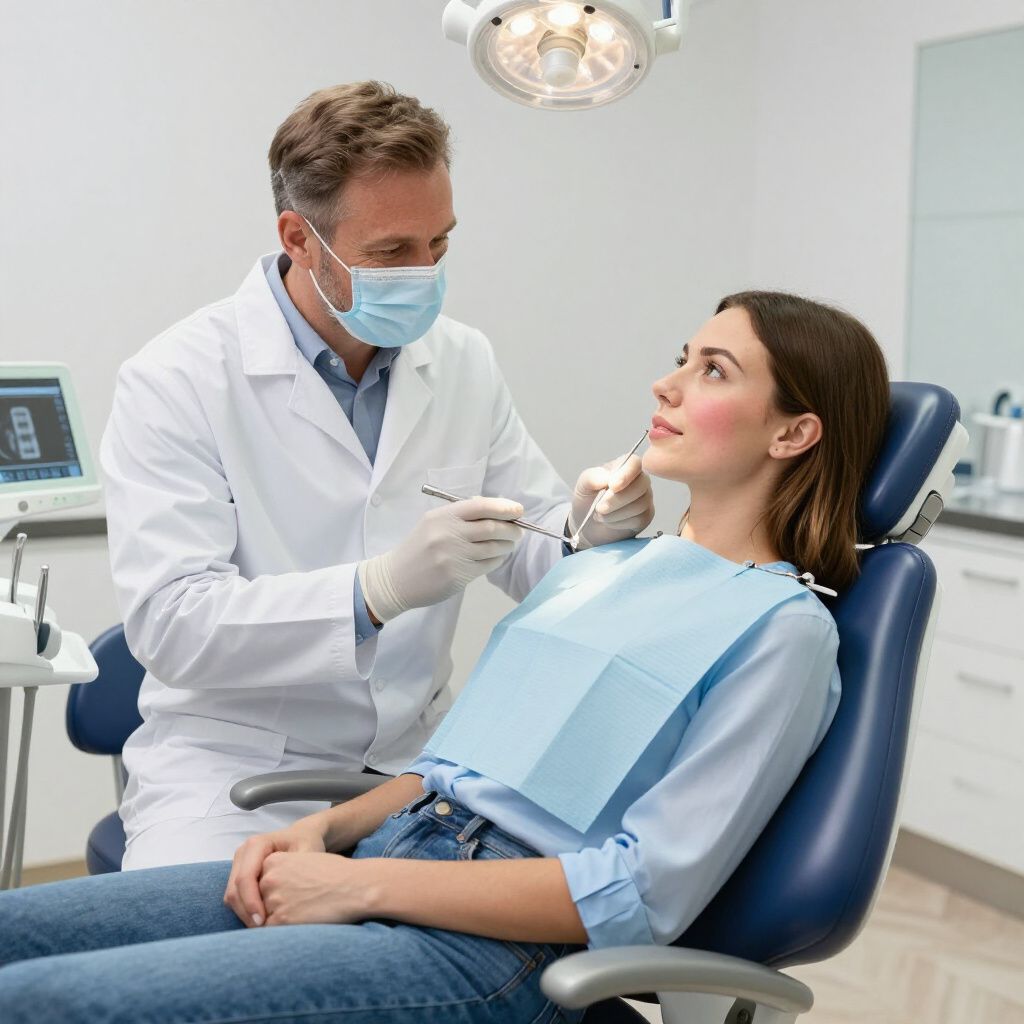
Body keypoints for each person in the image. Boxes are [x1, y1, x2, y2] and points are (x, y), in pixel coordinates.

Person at [0, 292, 890, 1024]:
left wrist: (360, 887)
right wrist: (322, 832)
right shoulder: (615, 567)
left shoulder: (781, 631)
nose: (666, 383)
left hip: (492, 950)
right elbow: (458, 773)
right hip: (388, 850)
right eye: (683, 355)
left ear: (792, 435)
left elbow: (636, 895)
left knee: (49, 1004)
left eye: (713, 371)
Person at [100, 81, 655, 869]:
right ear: (298, 237)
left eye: (441, 244)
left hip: (418, 760)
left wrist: (585, 534)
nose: (424, 272)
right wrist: (375, 591)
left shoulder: (462, 361)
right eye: (393, 252)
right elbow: (173, 625)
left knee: (456, 965)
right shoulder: (176, 379)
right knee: (224, 968)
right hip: (235, 769)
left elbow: (532, 545)